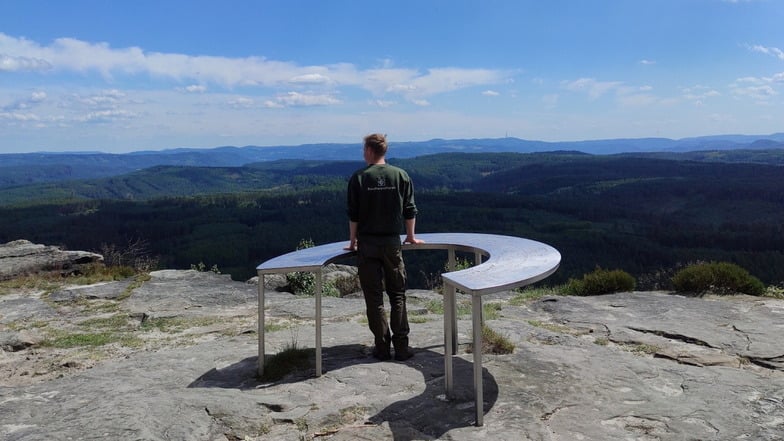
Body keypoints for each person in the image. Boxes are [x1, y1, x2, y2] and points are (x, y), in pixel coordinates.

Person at [345, 133, 424, 361]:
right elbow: (410, 209)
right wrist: (410, 236)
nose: (363, 153)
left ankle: (381, 347)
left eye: (364, 149)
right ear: (384, 151)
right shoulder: (400, 175)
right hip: (392, 244)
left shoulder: (359, 178)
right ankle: (401, 347)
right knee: (397, 295)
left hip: (367, 245)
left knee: (374, 298)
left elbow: (354, 215)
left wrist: (353, 242)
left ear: (370, 151)